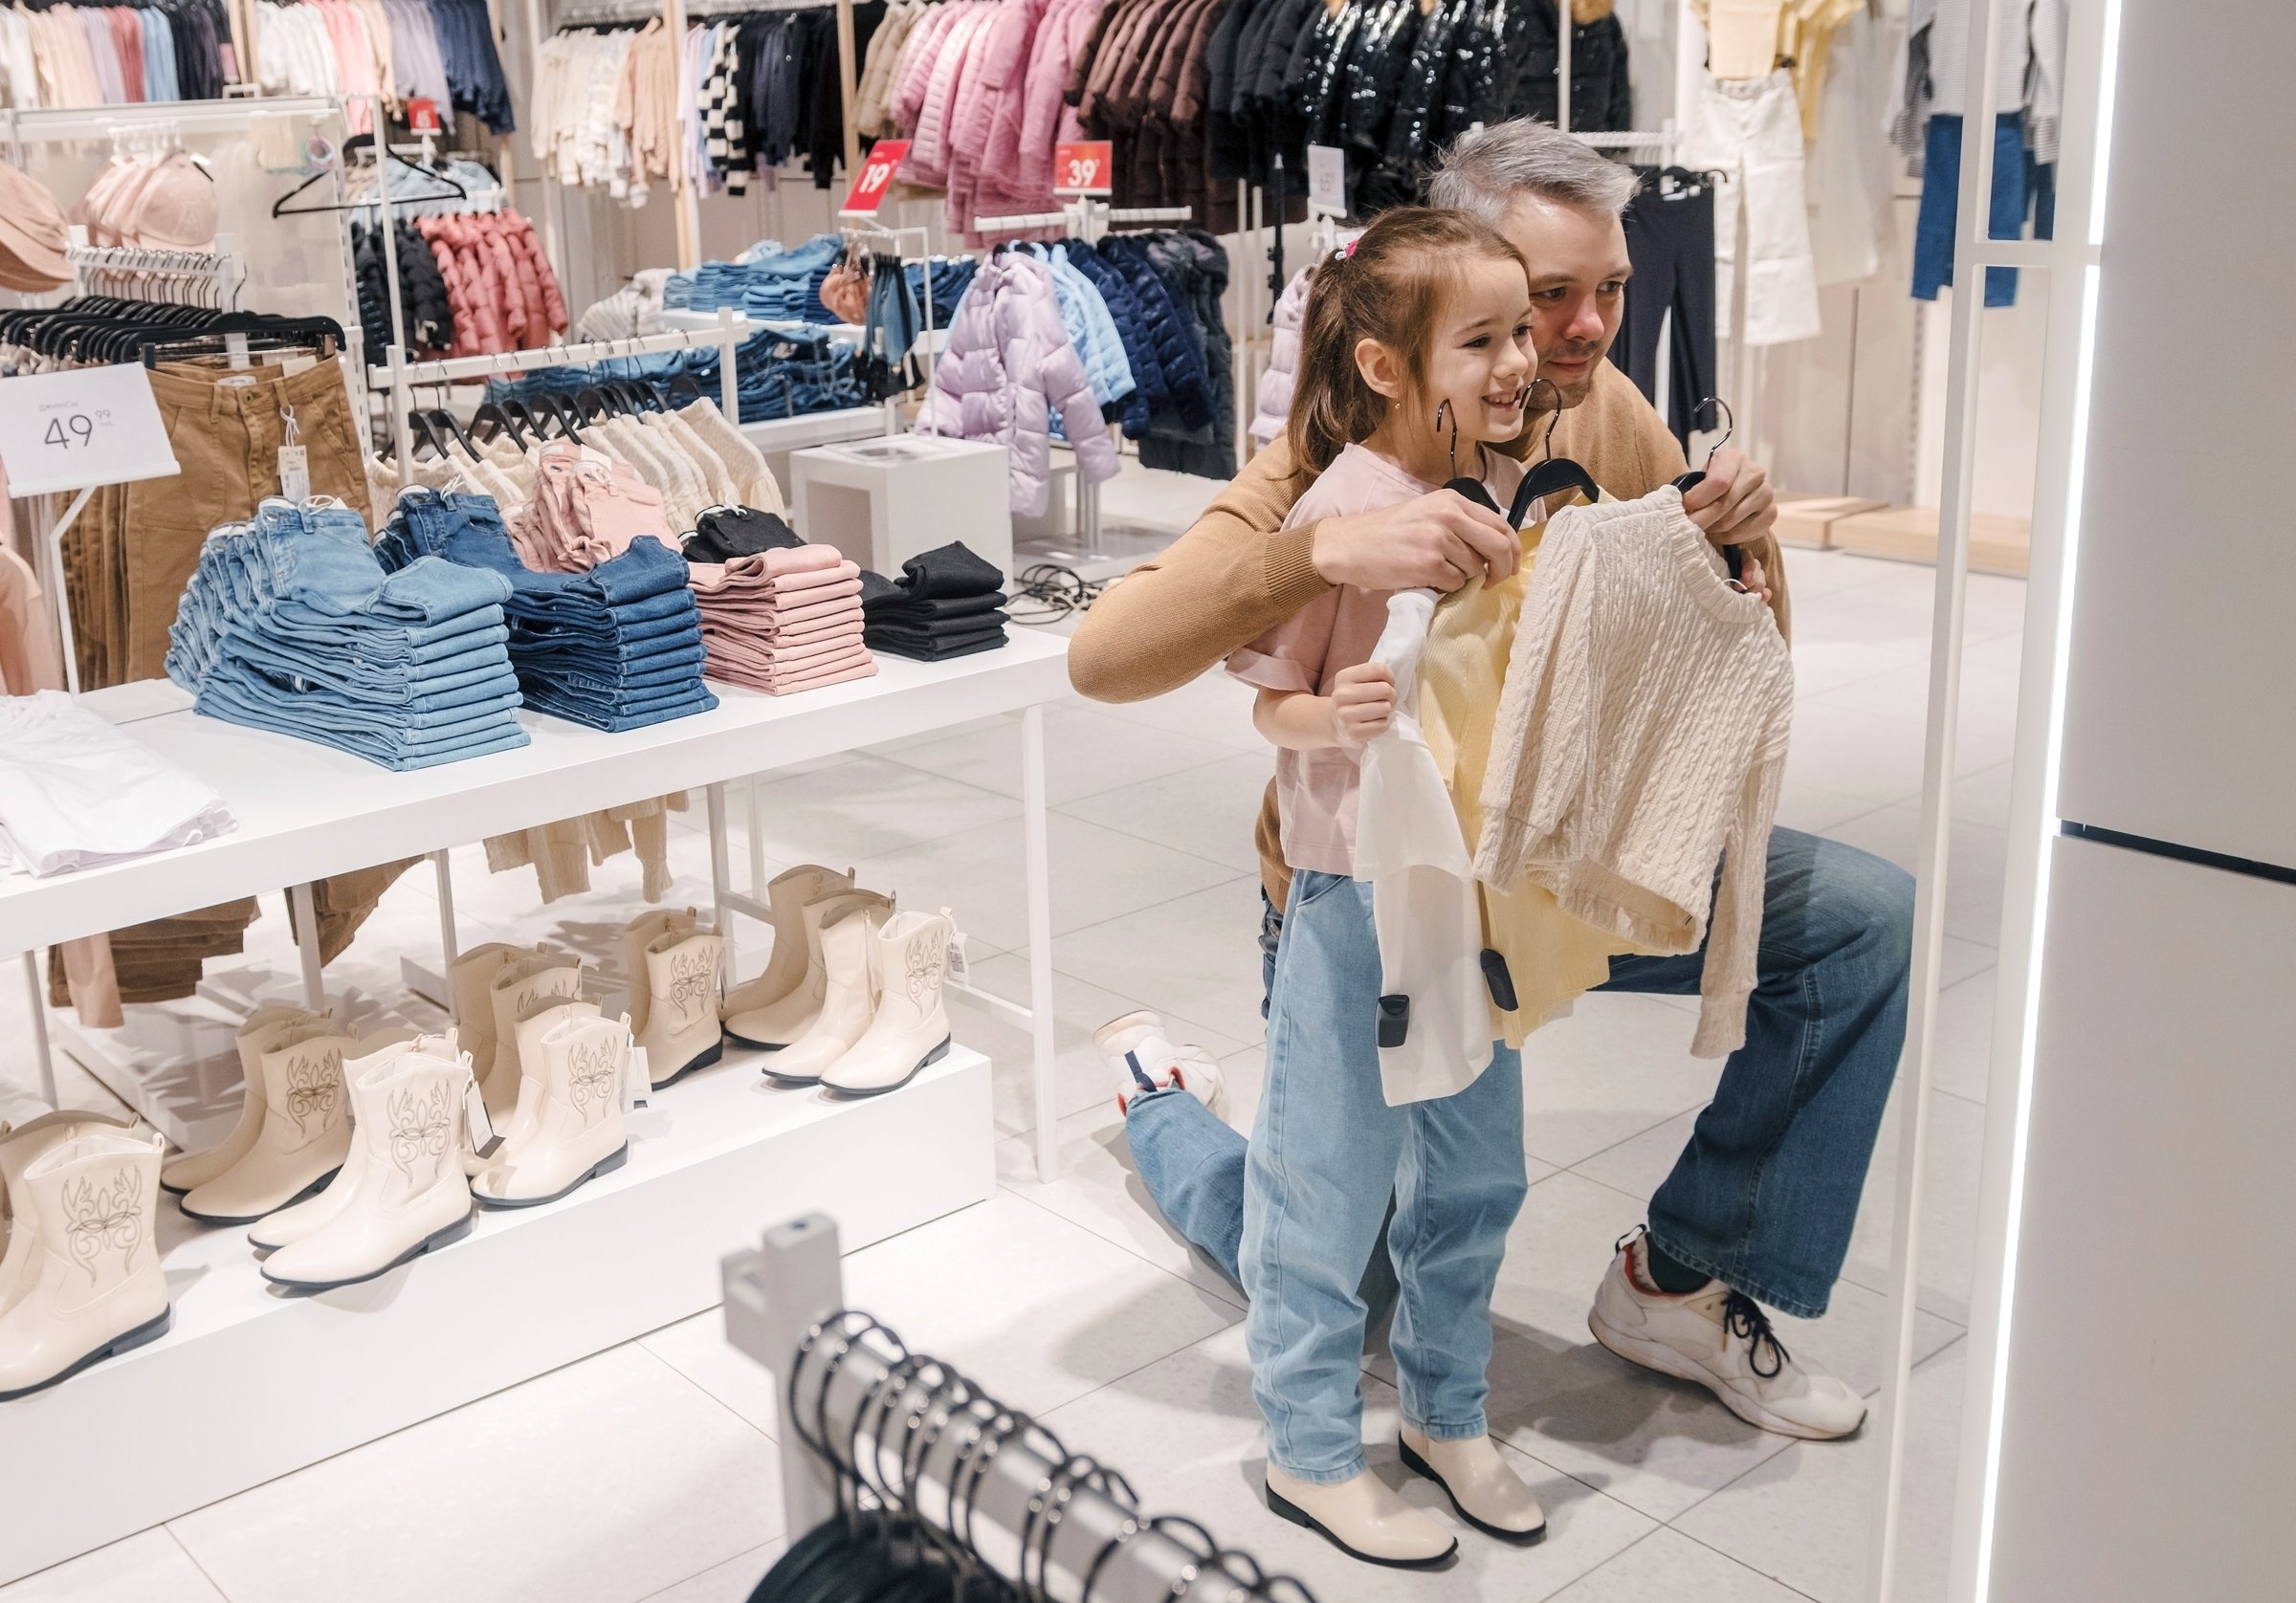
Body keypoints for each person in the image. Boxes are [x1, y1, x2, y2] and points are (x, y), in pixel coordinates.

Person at [1071, 120, 1913, 1457]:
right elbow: (1106, 657)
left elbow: (1741, 683)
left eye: (1606, 294)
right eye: (1536, 300)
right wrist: (1326, 548)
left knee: (1857, 915)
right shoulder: (1337, 450)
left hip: (1555, 866)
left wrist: (1740, 549)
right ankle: (1163, 1103)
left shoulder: (1607, 412)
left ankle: (1680, 1285)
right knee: (1335, 1271)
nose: (1569, 336)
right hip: (1380, 897)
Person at [1212, 206, 1556, 1569]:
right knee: (1325, 1177)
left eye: (1520, 331)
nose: (1517, 361)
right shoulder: (1341, 509)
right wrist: (1330, 716)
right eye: (1482, 338)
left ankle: (1445, 1410)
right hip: (1351, 898)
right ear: (1383, 366)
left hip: (1466, 899)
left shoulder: (1496, 488)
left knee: (1479, 1165)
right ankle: (1305, 1448)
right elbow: (1264, 708)